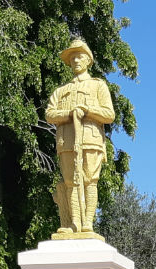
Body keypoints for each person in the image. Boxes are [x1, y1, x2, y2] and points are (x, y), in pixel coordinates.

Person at [45, 39, 115, 236]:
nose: (76, 60)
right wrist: (69, 114)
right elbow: (49, 114)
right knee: (70, 182)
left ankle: (88, 224)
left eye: (80, 56)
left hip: (91, 140)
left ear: (88, 60)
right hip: (67, 142)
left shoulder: (97, 86)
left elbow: (109, 114)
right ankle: (74, 223)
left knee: (90, 181)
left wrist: (88, 110)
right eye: (72, 57)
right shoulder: (61, 91)